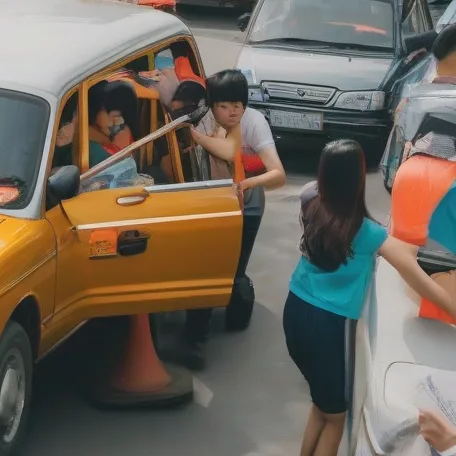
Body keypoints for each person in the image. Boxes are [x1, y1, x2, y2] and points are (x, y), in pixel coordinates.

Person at [285, 140, 456, 456]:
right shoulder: (366, 232)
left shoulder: (311, 202)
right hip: (327, 326)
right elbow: (414, 275)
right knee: (336, 417)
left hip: (295, 311)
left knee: (321, 404)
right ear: (359, 179)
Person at [182, 69, 286, 370]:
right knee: (206, 269)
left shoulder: (252, 121)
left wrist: (248, 185)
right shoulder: (202, 120)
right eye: (225, 105)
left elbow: (278, 174)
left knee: (234, 270)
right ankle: (195, 340)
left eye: (239, 104)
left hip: (248, 205)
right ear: (211, 104)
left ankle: (235, 306)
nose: (233, 111)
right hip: (211, 202)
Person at [87, 80, 137, 165]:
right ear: (94, 111)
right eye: (109, 113)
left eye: (120, 113)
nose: (118, 120)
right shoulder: (91, 147)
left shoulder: (122, 132)